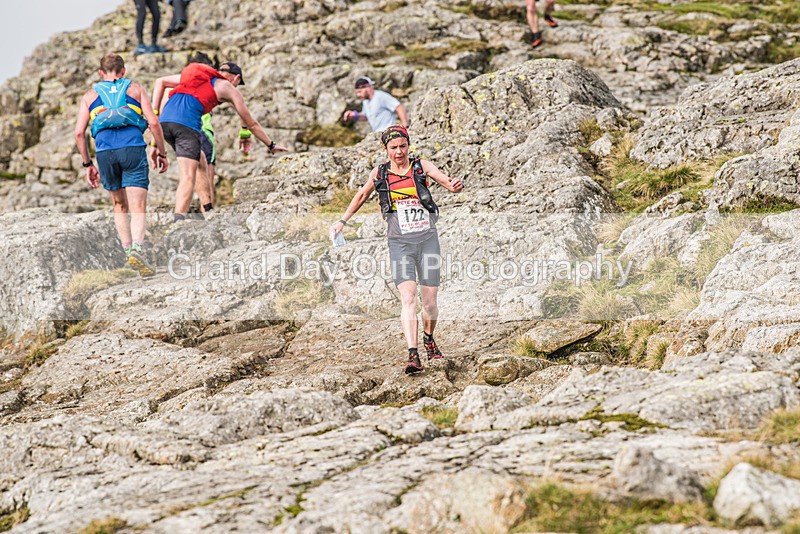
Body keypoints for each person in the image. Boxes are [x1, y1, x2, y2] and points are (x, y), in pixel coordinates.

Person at [330, 125, 463, 374]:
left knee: (430, 303)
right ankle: (413, 354)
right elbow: (360, 196)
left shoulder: (421, 166)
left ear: (408, 146)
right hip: (399, 243)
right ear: (385, 149)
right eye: (394, 148)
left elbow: (445, 180)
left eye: (403, 146)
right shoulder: (380, 172)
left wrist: (453, 186)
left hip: (427, 241)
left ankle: (429, 339)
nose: (399, 152)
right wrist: (342, 221)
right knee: (409, 297)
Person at [152, 60, 288, 221]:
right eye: (238, 83)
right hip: (186, 126)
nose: (237, 87)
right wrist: (270, 144)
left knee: (201, 159)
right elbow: (250, 122)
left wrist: (155, 120)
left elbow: (159, 81)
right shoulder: (227, 87)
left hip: (164, 124)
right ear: (236, 78)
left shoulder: (195, 78)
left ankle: (207, 208)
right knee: (188, 175)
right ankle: (178, 221)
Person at [74, 53, 169, 277]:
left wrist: (88, 163)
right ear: (123, 71)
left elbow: (79, 133)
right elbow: (154, 122)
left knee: (119, 205)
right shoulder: (134, 88)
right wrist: (161, 152)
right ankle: (137, 248)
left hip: (105, 153)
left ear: (101, 73)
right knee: (138, 206)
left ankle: (127, 250)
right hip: (132, 148)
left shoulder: (90, 95)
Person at [342, 77, 409, 133]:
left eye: (360, 92)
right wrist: (354, 115)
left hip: (389, 132)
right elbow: (366, 117)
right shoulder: (366, 101)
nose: (358, 95)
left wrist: (405, 126)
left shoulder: (381, 96)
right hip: (378, 134)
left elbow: (399, 107)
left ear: (368, 88)